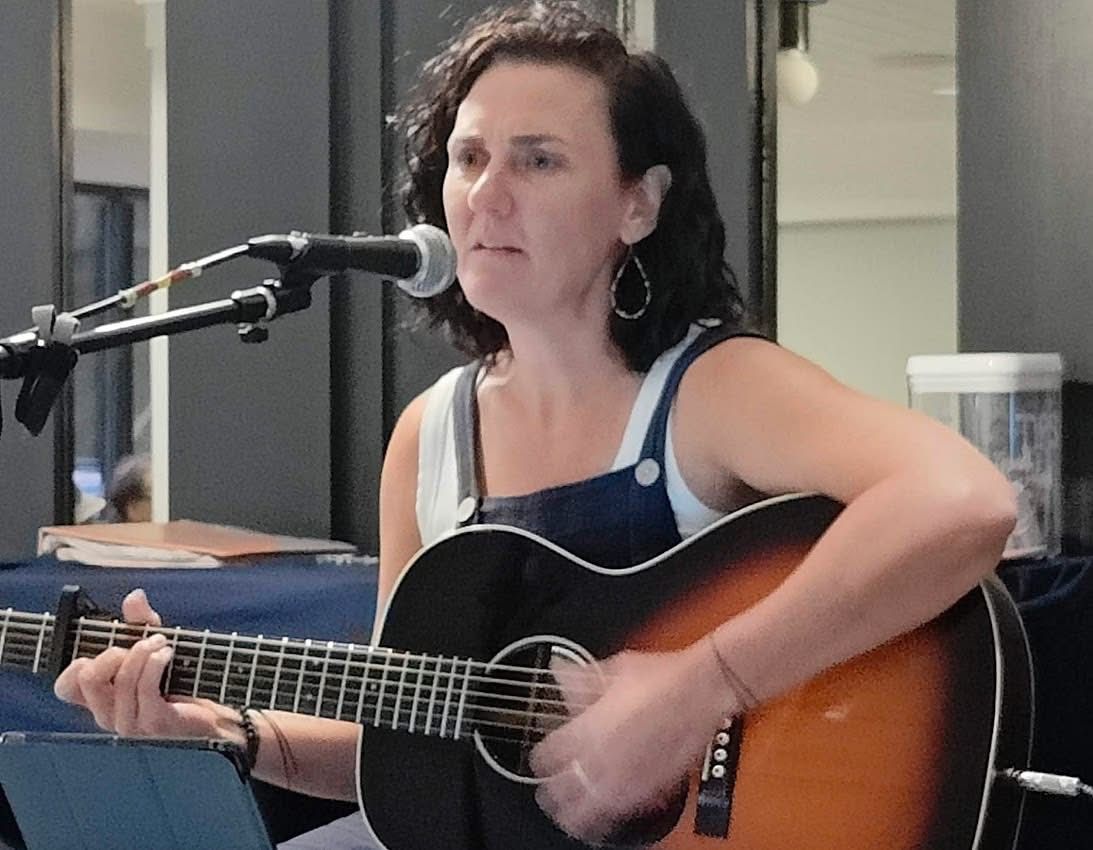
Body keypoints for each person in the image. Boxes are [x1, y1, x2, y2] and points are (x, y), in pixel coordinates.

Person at [53, 1, 1017, 845]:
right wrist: (220, 729)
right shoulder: (431, 437)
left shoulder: (714, 388)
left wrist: (701, 685)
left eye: (539, 160)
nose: (486, 195)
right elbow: (406, 732)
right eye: (468, 158)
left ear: (638, 204)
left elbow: (962, 502)